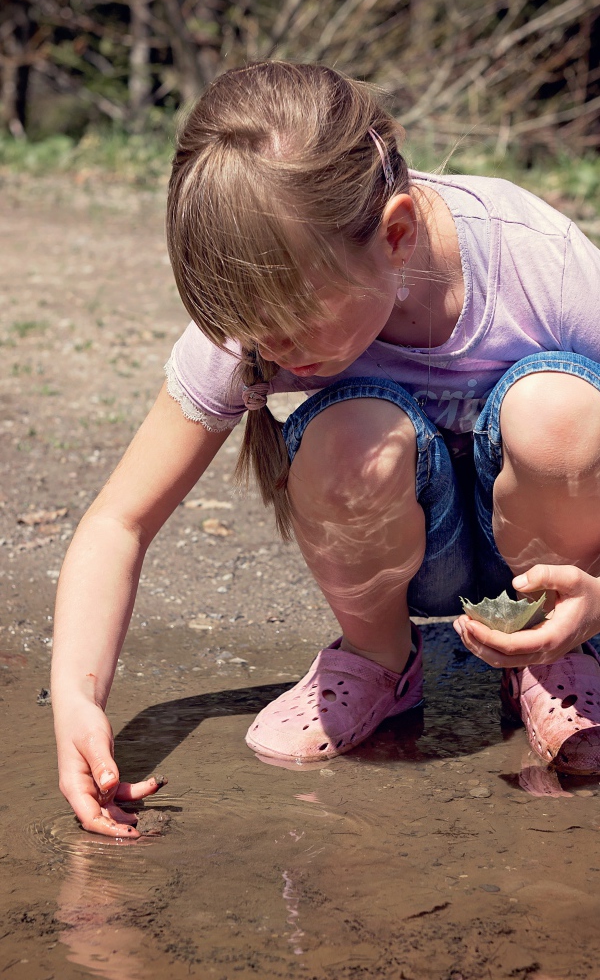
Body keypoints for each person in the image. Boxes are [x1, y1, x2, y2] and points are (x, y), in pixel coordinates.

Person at [51, 61, 600, 837]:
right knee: (352, 437)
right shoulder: (261, 306)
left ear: (397, 234)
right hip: (404, 551)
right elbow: (119, 523)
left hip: (557, 551)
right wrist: (78, 701)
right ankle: (379, 661)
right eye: (257, 333)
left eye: (295, 325)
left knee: (561, 415)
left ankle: (556, 652)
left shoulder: (538, 261)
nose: (277, 351)